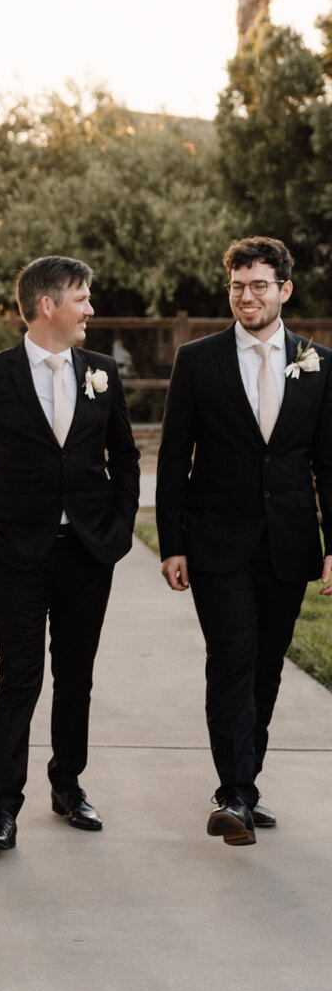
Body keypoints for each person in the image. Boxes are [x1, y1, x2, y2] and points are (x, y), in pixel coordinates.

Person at [157, 237, 332, 845]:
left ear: (285, 290)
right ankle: (232, 791)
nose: (247, 296)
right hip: (215, 542)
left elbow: (328, 464)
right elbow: (174, 456)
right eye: (238, 285)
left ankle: (245, 787)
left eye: (260, 285)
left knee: (266, 669)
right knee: (231, 658)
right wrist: (174, 542)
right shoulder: (197, 361)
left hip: (286, 541)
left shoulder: (319, 363)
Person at [0, 256, 139, 851]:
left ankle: (68, 784)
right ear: (48, 305)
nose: (90, 309)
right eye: (82, 298)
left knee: (76, 676)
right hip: (16, 550)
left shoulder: (102, 371)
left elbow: (127, 457)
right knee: (20, 677)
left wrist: (117, 529)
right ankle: (3, 807)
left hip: (89, 550)